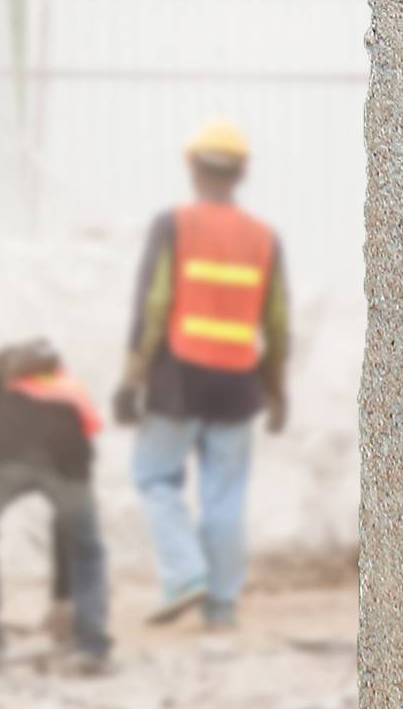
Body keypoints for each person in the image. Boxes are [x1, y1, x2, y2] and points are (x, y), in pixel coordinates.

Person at [112, 117, 289, 631]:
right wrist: (275, 392)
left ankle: (186, 574)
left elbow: (154, 306)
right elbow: (276, 322)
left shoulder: (174, 226)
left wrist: (130, 381)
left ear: (192, 167)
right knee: (225, 495)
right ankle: (221, 604)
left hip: (178, 379)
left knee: (155, 477)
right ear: (242, 173)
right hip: (237, 384)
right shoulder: (263, 238)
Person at [0, 337, 111, 673]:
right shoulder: (65, 382)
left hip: (3, 457)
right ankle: (90, 645)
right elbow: (88, 436)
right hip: (68, 462)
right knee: (86, 548)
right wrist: (62, 596)